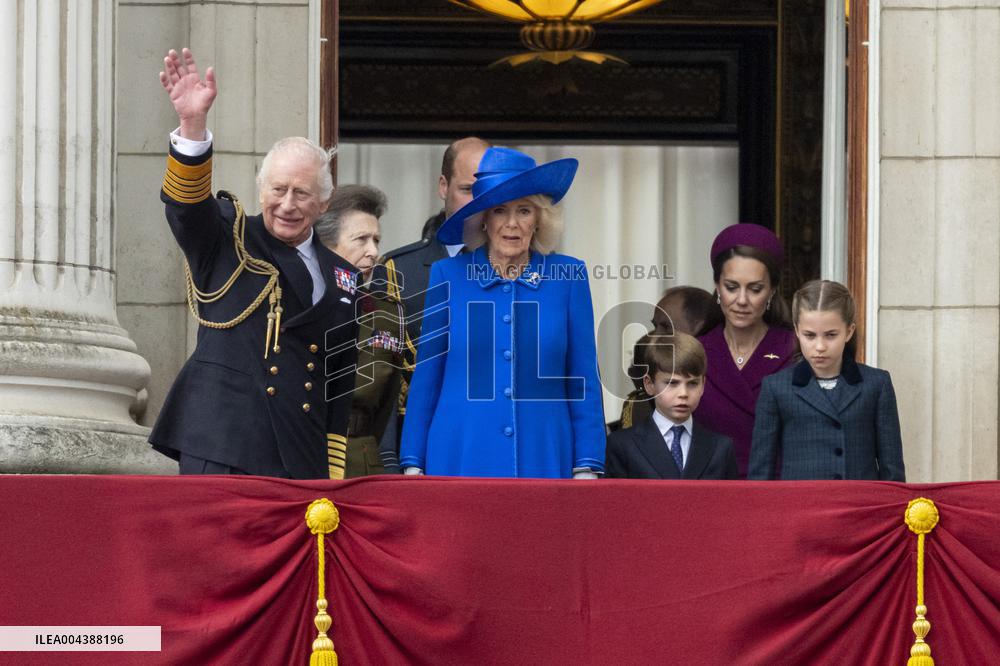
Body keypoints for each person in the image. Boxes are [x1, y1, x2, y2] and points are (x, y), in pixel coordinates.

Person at [150, 48, 359, 479]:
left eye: (301, 193)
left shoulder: (345, 277)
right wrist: (193, 126)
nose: (287, 204)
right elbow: (186, 208)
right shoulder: (227, 236)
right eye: (278, 189)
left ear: (323, 204)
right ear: (262, 190)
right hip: (222, 444)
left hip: (300, 453)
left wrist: (332, 468)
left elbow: (339, 380)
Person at [399, 147, 605, 478]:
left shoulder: (568, 277)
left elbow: (583, 377)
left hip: (544, 454)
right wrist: (413, 461)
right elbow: (427, 378)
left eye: (524, 210)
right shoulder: (448, 275)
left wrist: (587, 463)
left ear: (538, 219)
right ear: (483, 218)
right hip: (460, 454)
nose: (512, 224)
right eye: (499, 210)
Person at [748, 280, 905, 481]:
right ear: (797, 331)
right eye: (810, 335)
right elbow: (761, 473)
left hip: (860, 500)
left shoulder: (876, 384)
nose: (820, 346)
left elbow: (892, 472)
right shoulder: (776, 388)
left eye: (831, 335)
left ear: (849, 331)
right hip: (801, 501)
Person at [315, 185, 404, 476]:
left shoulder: (386, 315)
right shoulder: (298, 305)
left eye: (376, 240)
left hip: (361, 462)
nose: (374, 252)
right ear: (326, 246)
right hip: (306, 455)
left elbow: (386, 405)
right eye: (361, 239)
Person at [695, 224, 797, 479]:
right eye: (731, 287)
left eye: (755, 289)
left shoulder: (795, 351)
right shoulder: (695, 352)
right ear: (717, 286)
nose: (742, 300)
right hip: (710, 491)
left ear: (772, 290)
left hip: (778, 491)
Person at [606, 334, 737, 479]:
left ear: (703, 385)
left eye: (693, 383)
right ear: (649, 384)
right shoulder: (623, 445)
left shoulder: (721, 448)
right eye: (672, 383)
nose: (683, 393)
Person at [614, 286, 724, 431]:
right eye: (655, 326)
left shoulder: (721, 384)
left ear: (700, 328)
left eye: (666, 327)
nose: (655, 337)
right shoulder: (649, 397)